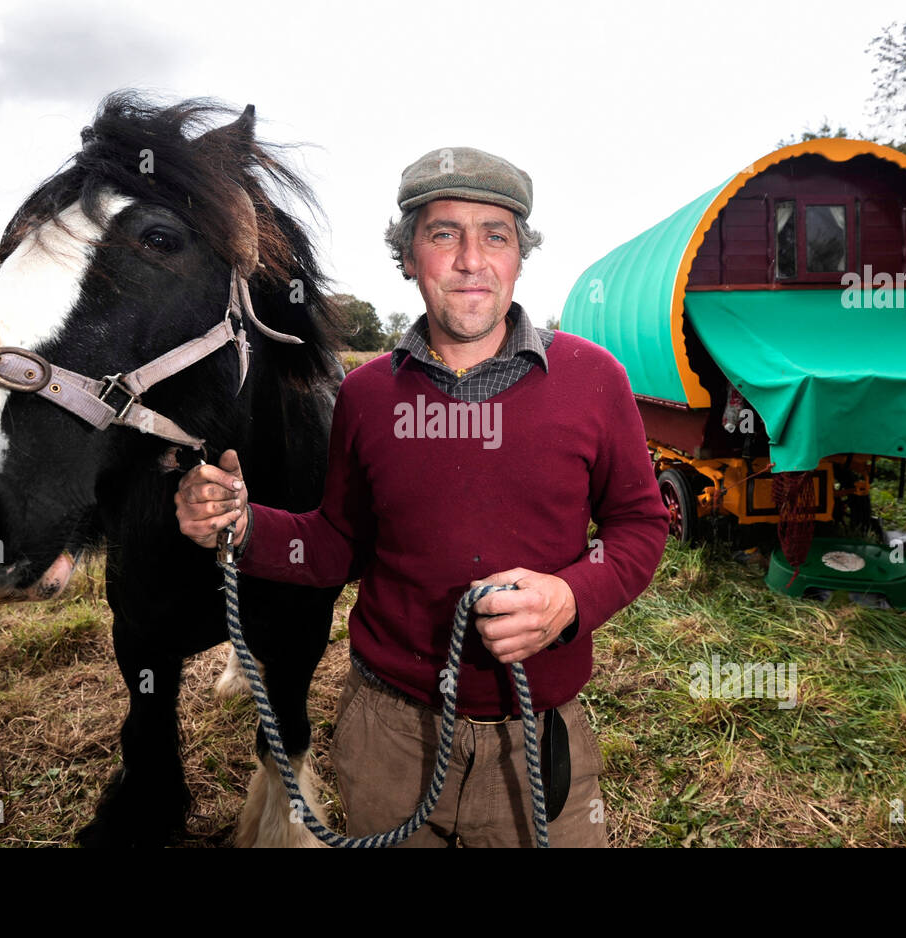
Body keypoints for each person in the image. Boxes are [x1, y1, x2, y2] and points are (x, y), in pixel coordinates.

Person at [176, 146, 667, 847]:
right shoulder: (368, 394)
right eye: (444, 234)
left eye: (495, 235)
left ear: (519, 256)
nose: (472, 259)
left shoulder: (593, 380)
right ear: (408, 256)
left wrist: (571, 600)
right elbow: (340, 540)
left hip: (537, 735)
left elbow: (639, 524)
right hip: (389, 736)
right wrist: (243, 527)